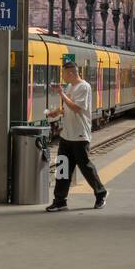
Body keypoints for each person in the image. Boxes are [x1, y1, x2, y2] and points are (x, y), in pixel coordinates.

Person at [45, 60, 107, 212]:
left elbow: (77, 108)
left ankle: (101, 194)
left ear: (71, 73)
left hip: (80, 135)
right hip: (67, 135)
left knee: (85, 167)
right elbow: (67, 106)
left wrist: (61, 94)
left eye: (64, 74)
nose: (63, 76)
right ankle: (60, 201)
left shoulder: (84, 87)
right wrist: (57, 112)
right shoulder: (69, 86)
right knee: (62, 167)